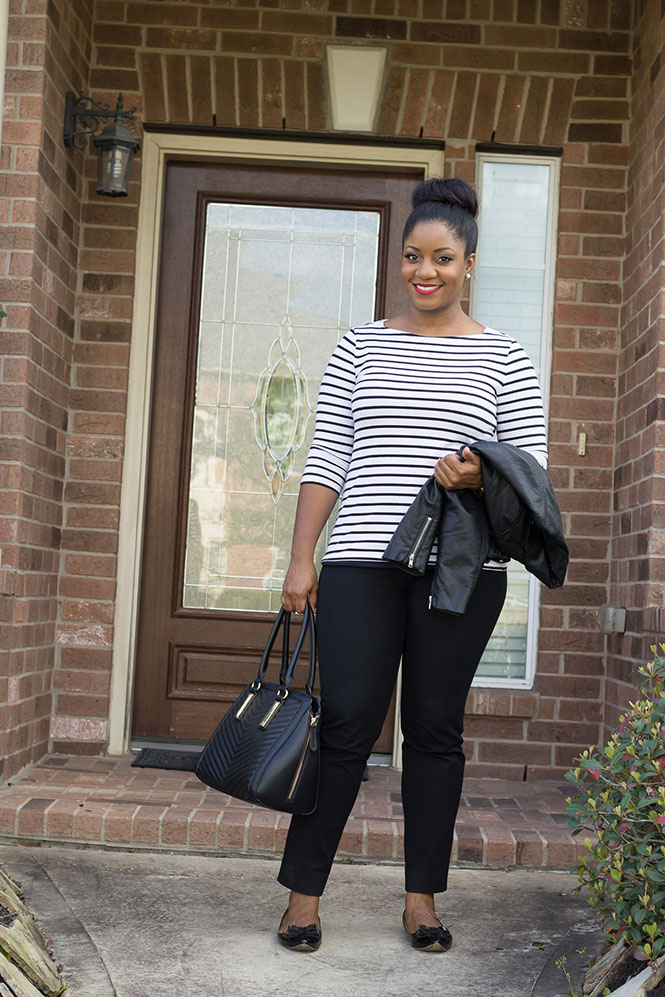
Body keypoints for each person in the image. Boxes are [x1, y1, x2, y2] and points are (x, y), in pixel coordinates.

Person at [277, 177, 548, 953]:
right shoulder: (358, 346)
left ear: (468, 262)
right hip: (360, 561)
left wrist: (476, 475)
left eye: (440, 258)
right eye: (410, 257)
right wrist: (303, 558)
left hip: (459, 571)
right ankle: (303, 897)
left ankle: (421, 899)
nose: (422, 271)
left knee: (433, 730)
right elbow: (327, 454)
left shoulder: (505, 357)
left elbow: (529, 470)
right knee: (346, 726)